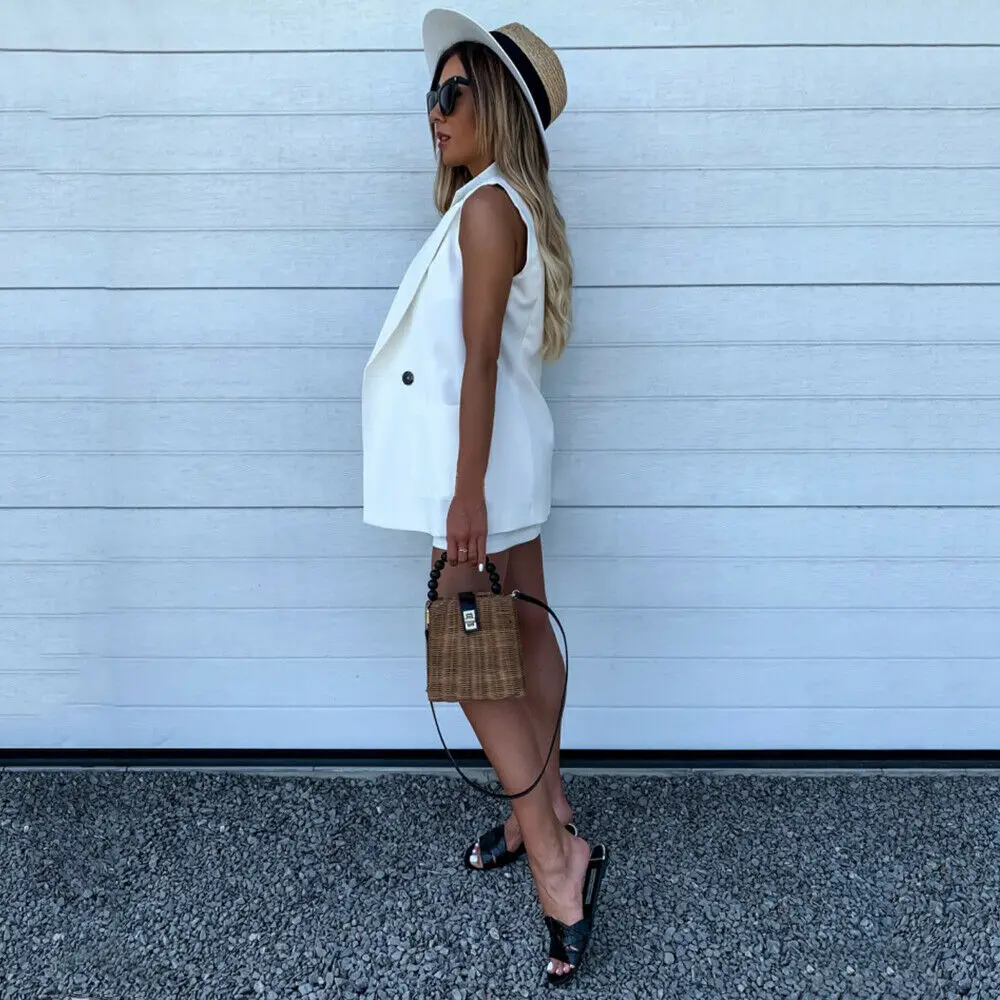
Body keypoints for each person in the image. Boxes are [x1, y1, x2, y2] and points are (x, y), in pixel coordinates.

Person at [360, 9, 609, 986]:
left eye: (451, 92)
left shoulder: (487, 208)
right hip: (510, 461)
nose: (434, 110)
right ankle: (540, 809)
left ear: (494, 103)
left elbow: (474, 367)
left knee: (469, 661)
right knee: (527, 627)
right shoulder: (497, 204)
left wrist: (463, 497)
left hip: (484, 471)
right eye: (431, 93)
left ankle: (556, 858)